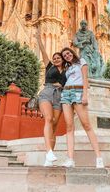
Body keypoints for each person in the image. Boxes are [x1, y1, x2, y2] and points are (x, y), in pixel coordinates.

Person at [60, 47, 104, 168]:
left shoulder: (82, 62)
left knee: (86, 125)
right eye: (65, 56)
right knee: (69, 127)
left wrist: (85, 95)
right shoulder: (67, 68)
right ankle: (70, 159)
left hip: (78, 92)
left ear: (72, 53)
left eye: (68, 53)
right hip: (66, 94)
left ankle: (99, 158)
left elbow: (85, 79)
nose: (67, 56)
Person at [36, 33, 66, 167]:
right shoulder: (50, 67)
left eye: (58, 57)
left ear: (62, 59)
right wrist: (38, 39)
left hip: (59, 96)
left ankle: (49, 158)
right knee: (48, 119)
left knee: (54, 126)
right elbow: (43, 51)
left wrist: (61, 85)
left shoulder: (67, 70)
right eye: (54, 58)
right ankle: (48, 152)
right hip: (46, 93)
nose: (55, 59)